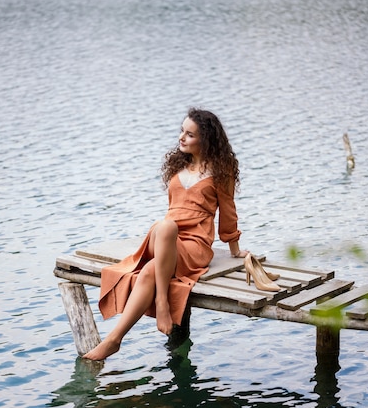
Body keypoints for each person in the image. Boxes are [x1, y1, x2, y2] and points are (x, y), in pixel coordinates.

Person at [83, 108, 247, 361]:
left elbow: (228, 212)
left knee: (150, 268)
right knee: (166, 225)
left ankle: (115, 340)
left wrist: (235, 249)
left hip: (195, 244)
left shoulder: (221, 171)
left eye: (190, 134)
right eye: (182, 131)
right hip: (165, 237)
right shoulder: (178, 165)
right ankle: (160, 305)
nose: (182, 137)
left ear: (206, 139)